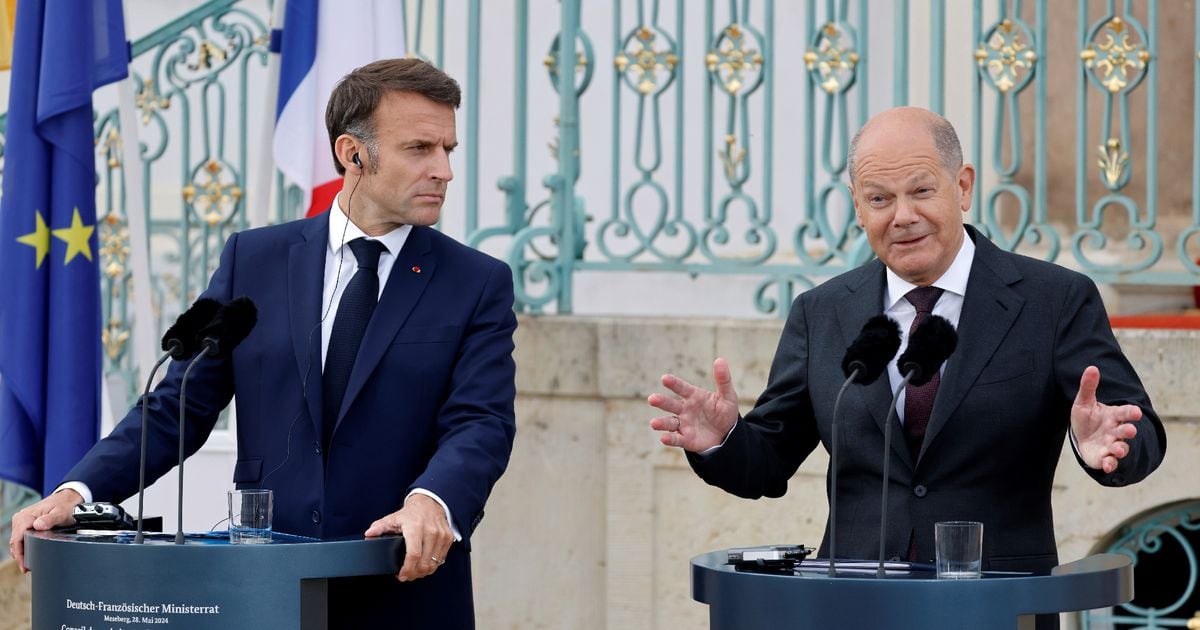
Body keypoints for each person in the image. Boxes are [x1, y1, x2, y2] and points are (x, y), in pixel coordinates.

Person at [9, 58, 516, 628]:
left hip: (404, 585)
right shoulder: (251, 259)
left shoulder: (478, 283)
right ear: (353, 153)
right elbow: (179, 403)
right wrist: (79, 491)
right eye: (420, 149)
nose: (444, 170)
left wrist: (434, 500)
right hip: (262, 589)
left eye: (448, 148)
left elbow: (482, 422)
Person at [648, 107, 1166, 581]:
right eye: (879, 199)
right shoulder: (823, 311)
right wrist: (723, 439)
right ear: (857, 207)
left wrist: (1106, 444)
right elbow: (767, 462)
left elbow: (1139, 433)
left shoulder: (1053, 300)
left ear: (962, 188)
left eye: (920, 192)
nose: (902, 216)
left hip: (996, 603)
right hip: (853, 601)